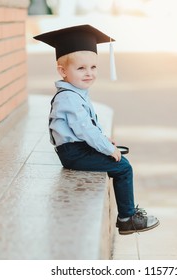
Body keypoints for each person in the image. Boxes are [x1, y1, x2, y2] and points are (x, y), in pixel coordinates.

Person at [33, 24, 159, 235]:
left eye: (93, 67)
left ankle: (128, 214)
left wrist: (104, 139)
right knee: (123, 167)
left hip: (77, 149)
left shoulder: (75, 92)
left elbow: (90, 124)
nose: (89, 73)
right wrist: (107, 149)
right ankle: (127, 218)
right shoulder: (69, 98)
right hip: (73, 153)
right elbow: (84, 131)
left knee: (119, 161)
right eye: (81, 68)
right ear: (63, 71)